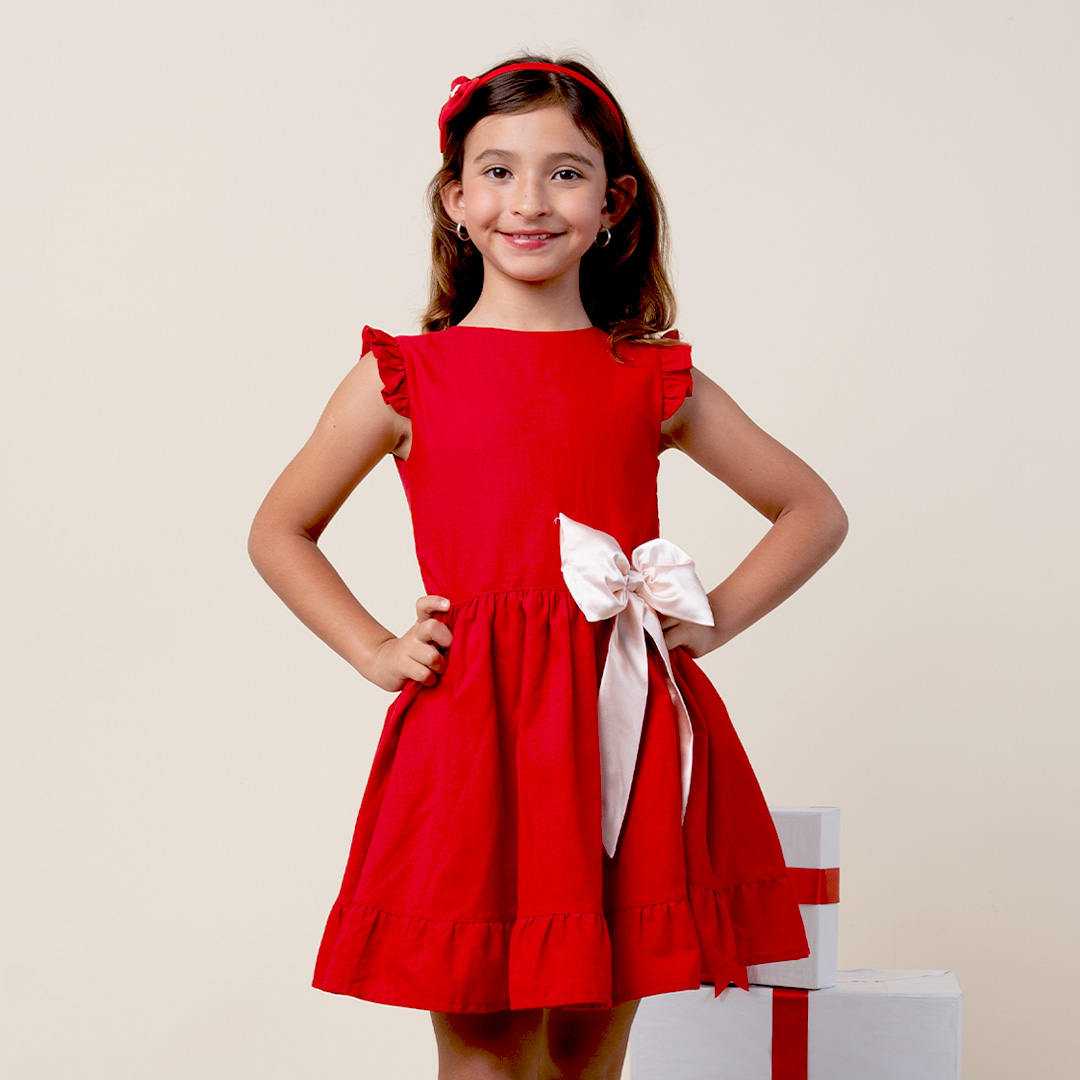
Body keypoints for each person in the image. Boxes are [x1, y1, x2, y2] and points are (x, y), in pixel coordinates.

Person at [248, 55, 848, 1080]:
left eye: (565, 173)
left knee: (585, 1045)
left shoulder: (648, 374)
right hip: (472, 734)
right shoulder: (403, 377)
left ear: (614, 203)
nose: (529, 199)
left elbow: (813, 510)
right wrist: (376, 650)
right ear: (455, 199)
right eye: (498, 170)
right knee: (484, 1040)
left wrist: (709, 619)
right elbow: (279, 529)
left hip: (619, 724)